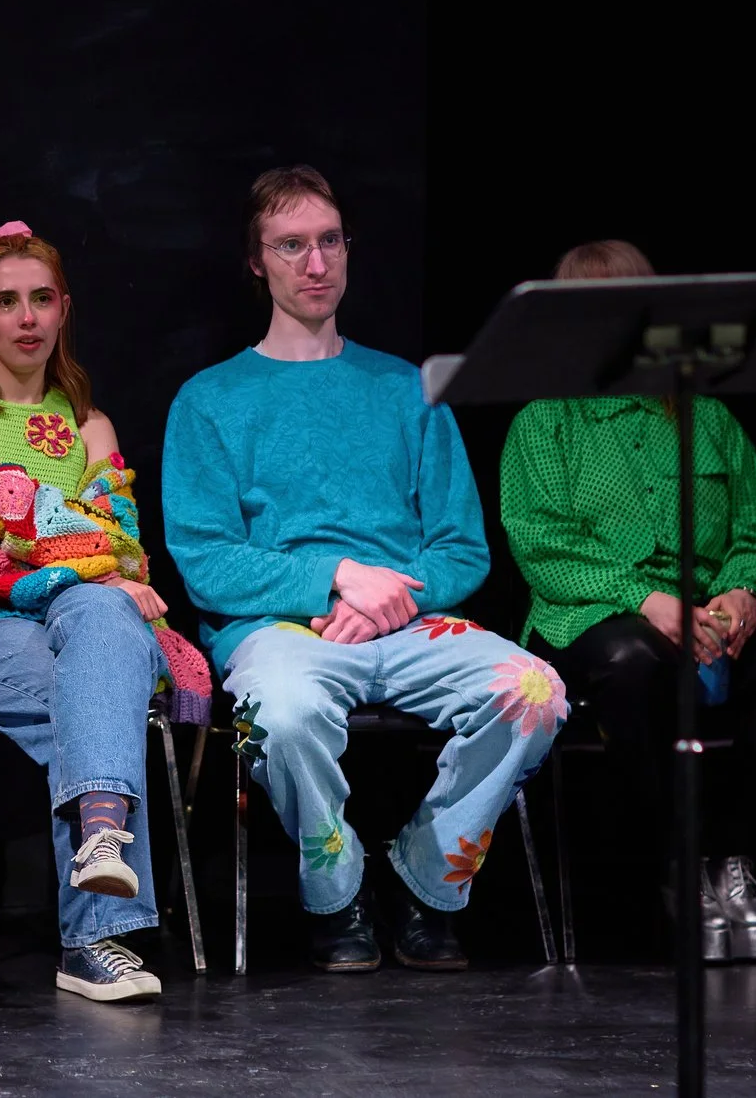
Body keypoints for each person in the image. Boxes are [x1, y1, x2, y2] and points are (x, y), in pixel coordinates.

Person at [162, 166, 566, 972]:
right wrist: (338, 577)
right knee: (276, 713)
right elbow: (207, 563)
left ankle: (427, 874)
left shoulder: (409, 387)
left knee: (535, 693)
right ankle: (337, 885)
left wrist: (384, 600)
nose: (316, 264)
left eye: (329, 242)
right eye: (292, 246)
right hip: (281, 630)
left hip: (408, 622)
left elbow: (461, 548)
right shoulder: (210, 399)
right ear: (258, 261)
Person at [0, 222, 215, 1002]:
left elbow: (124, 548)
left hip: (79, 629)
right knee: (106, 639)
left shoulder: (90, 423)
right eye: (6, 301)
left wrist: (7, 512)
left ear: (64, 308)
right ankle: (100, 923)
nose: (25, 317)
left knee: (102, 627)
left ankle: (99, 873)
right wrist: (53, 541)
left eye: (39, 299)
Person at [502, 239, 756, 962]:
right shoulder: (545, 421)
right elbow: (540, 544)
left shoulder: (704, 415)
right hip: (594, 614)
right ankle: (673, 863)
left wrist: (742, 589)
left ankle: (740, 859)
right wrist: (643, 596)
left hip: (711, 616)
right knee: (633, 658)